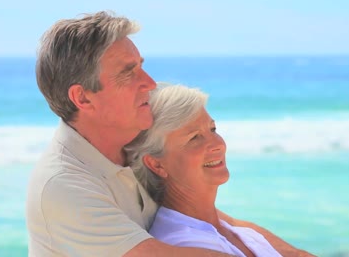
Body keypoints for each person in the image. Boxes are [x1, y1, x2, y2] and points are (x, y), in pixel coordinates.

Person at [26, 11, 312, 257]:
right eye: (128, 73)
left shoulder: (128, 146)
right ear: (84, 98)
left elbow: (223, 223)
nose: (149, 83)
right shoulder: (64, 185)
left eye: (142, 66)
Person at [125, 83, 314, 257]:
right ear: (157, 164)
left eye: (213, 129)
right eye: (194, 138)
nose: (217, 144)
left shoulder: (226, 227)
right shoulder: (183, 242)